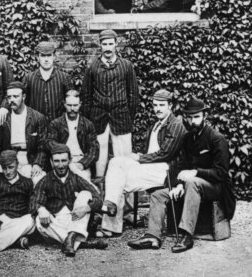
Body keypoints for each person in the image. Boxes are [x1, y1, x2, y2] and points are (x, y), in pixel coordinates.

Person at [128, 97, 236, 253]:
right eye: (190, 117)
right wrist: (179, 184)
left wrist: (196, 172)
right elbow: (181, 166)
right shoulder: (188, 138)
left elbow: (221, 173)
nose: (193, 121)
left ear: (204, 116)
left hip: (217, 188)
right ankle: (152, 236)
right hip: (192, 186)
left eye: (197, 117)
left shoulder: (217, 139)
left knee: (192, 182)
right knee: (159, 195)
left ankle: (186, 235)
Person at [100, 89, 187, 237]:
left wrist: (139, 158)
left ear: (170, 106)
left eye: (161, 105)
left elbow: (166, 154)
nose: (157, 109)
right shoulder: (155, 125)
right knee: (116, 163)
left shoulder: (176, 125)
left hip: (165, 171)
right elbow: (149, 150)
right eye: (155, 105)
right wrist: (139, 155)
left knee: (118, 178)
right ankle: (110, 204)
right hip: (150, 166)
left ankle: (110, 226)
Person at [81, 29, 139, 180]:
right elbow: (86, 96)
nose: (107, 48)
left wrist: (127, 115)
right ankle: (100, 195)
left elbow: (133, 95)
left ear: (116, 44)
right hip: (98, 118)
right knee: (99, 158)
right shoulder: (92, 67)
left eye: (110, 44)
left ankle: (125, 200)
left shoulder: (126, 66)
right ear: (100, 45)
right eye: (104, 44)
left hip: (121, 117)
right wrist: (89, 119)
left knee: (124, 159)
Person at [31, 143, 105, 257]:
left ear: (70, 160)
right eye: (56, 161)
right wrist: (41, 209)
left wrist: (86, 208)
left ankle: (71, 238)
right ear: (51, 162)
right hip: (57, 224)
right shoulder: (45, 180)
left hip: (75, 219)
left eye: (64, 160)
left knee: (85, 194)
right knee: (38, 221)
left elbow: (98, 197)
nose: (60, 165)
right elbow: (34, 200)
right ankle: (78, 241)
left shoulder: (76, 178)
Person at [0, 81, 48, 185]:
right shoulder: (2, 118)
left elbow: (42, 146)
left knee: (40, 180)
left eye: (15, 96)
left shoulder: (37, 118)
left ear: (24, 96)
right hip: (6, 162)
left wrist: (38, 164)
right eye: (9, 97)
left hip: (28, 161)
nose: (12, 100)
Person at [47, 90, 99, 182]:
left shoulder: (88, 124)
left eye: (75, 105)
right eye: (69, 105)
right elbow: (50, 142)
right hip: (62, 160)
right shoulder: (56, 124)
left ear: (80, 104)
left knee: (83, 185)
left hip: (81, 161)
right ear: (64, 104)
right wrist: (63, 156)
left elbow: (93, 150)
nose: (72, 108)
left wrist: (82, 164)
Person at [22, 41, 73, 123]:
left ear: (54, 57)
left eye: (49, 55)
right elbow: (22, 102)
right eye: (42, 56)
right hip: (36, 126)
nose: (46, 59)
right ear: (37, 57)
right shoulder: (29, 78)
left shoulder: (64, 78)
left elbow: (71, 103)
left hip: (58, 127)